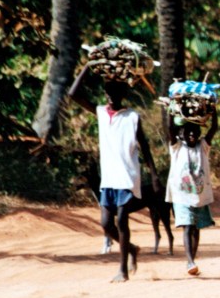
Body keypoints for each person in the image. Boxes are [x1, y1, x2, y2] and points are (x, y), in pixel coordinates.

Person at [68, 67, 161, 283]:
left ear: (122, 95)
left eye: (114, 93)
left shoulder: (132, 117)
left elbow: (144, 147)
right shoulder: (100, 112)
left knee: (121, 222)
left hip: (127, 177)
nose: (110, 96)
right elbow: (73, 94)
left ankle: (123, 270)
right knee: (106, 224)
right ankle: (131, 249)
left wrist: (154, 175)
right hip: (109, 178)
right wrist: (86, 68)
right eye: (107, 92)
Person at [166, 110, 218, 277]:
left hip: (199, 196)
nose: (192, 134)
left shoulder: (203, 146)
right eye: (188, 131)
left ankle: (192, 259)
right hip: (181, 195)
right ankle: (190, 261)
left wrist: (213, 110)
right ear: (182, 133)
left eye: (195, 131)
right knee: (187, 227)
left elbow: (214, 128)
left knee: (196, 229)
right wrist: (171, 109)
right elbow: (170, 128)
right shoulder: (176, 146)